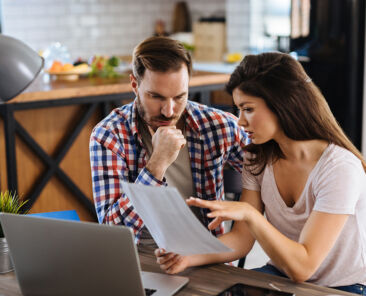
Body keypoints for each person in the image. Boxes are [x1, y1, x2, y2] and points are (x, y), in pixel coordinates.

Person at [155, 52, 366, 295]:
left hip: (343, 288)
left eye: (248, 109)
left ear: (282, 103)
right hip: (282, 276)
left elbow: (303, 267)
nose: (240, 122)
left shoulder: (338, 168)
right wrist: (187, 256)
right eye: (238, 109)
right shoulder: (257, 157)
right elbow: (242, 240)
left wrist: (250, 215)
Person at [89, 36, 247, 243]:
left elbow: (272, 174)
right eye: (156, 97)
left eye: (179, 97)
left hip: (206, 257)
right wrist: (156, 166)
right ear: (135, 85)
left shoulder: (218, 126)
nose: (169, 111)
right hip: (140, 258)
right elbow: (114, 234)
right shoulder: (109, 135)